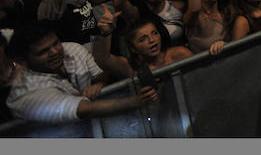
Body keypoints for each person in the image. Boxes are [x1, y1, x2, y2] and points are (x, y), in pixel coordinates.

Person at [5, 21, 157, 123]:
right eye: (43, 51)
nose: (54, 52)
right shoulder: (25, 92)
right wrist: (135, 101)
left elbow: (100, 76)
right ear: (23, 60)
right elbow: (84, 110)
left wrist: (99, 85)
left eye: (55, 43)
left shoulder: (72, 49)